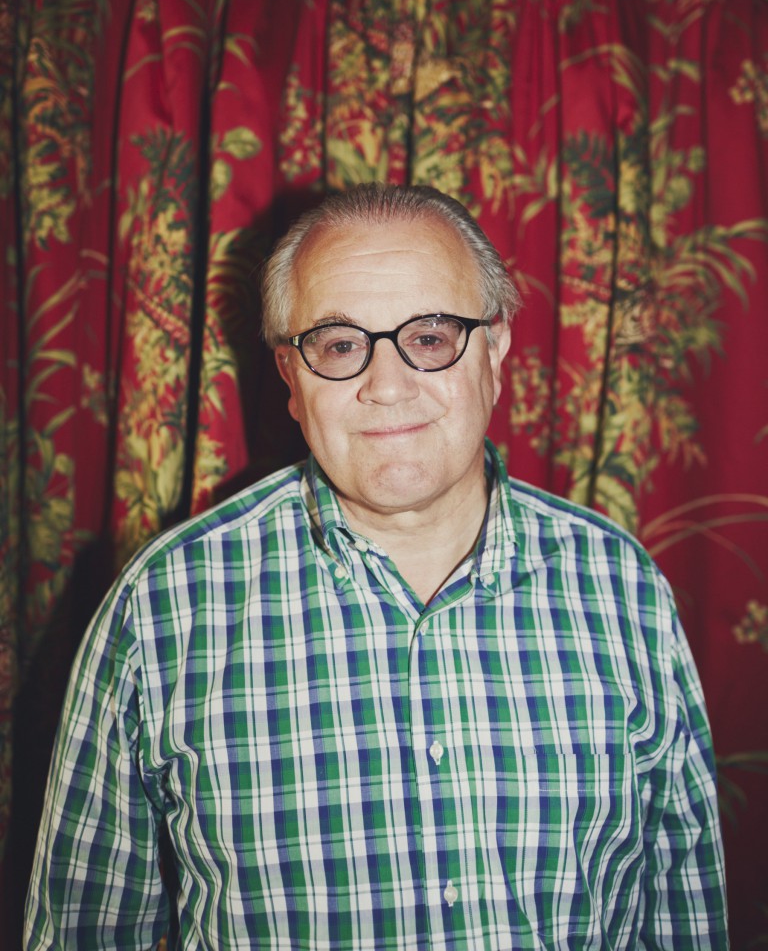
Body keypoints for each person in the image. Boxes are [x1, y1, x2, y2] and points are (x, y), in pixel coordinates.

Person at [25, 183, 728, 949]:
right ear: (290, 378)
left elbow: (686, 921)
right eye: (339, 344)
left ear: (495, 351)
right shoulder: (162, 607)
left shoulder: (621, 589)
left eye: (430, 336)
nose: (387, 387)